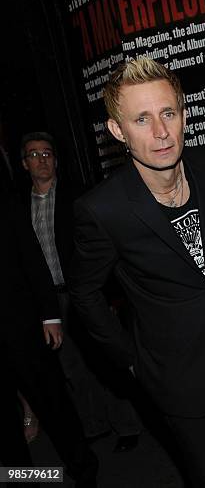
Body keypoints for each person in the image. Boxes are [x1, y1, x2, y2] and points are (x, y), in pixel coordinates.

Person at [70, 57, 205, 487]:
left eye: (168, 113)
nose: (160, 132)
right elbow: (85, 296)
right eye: (141, 119)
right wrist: (132, 361)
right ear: (118, 131)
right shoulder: (102, 210)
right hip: (177, 379)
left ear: (184, 115)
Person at [20, 131, 142, 451]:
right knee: (71, 368)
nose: (42, 159)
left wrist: (111, 296)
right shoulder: (20, 208)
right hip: (48, 302)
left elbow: (105, 248)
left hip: (83, 296)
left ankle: (128, 426)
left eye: (47, 153)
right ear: (24, 164)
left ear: (56, 160)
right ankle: (95, 425)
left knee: (104, 361)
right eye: (34, 155)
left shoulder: (78, 198)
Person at [0, 195, 98, 487]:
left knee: (53, 404)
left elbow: (32, 256)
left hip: (22, 327)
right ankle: (24, 481)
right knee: (4, 424)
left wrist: (50, 316)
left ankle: (84, 469)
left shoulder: (5, 204)